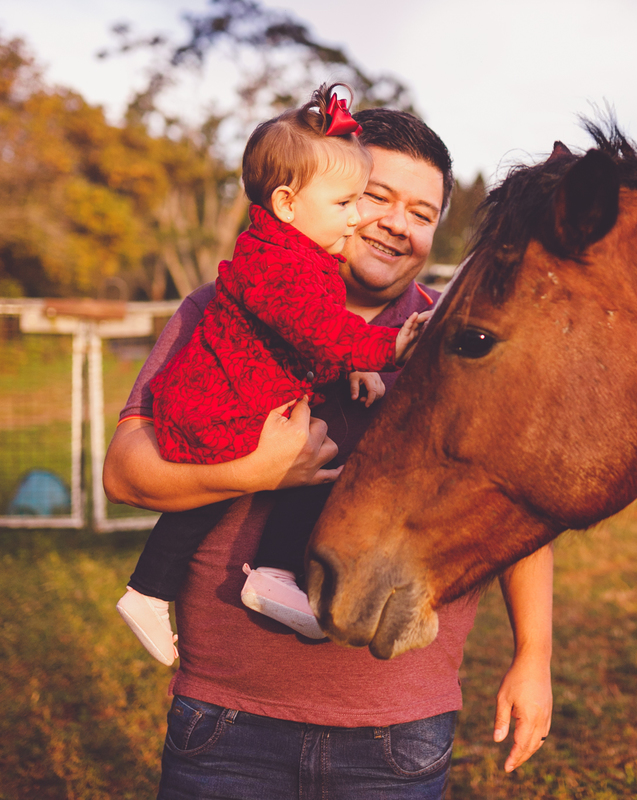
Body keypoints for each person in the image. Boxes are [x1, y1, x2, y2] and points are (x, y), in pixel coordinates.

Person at [103, 107, 553, 798]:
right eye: (374, 197)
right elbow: (125, 471)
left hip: (397, 721)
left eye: (423, 212)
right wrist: (255, 472)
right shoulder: (221, 305)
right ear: (317, 195)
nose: (397, 224)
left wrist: (534, 658)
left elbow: (517, 507)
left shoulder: (466, 337)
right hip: (228, 714)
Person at [116, 84, 429, 665]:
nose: (360, 216)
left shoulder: (293, 257)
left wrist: (352, 364)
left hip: (233, 399)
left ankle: (177, 585)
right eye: (348, 203)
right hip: (222, 406)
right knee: (286, 477)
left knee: (298, 470)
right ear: (287, 204)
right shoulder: (279, 265)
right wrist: (390, 345)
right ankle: (200, 582)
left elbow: (307, 342)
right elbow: (321, 333)